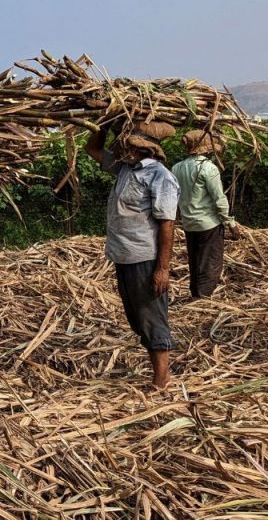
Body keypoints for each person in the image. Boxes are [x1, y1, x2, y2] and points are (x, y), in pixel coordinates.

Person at [85, 122, 181, 390]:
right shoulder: (125, 169)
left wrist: (162, 269)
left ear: (144, 149)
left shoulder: (160, 177)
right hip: (123, 255)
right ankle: (158, 375)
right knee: (137, 318)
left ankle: (162, 381)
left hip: (145, 258)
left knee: (151, 317)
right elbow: (92, 148)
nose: (123, 148)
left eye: (128, 144)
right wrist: (103, 123)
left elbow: (167, 224)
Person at [171, 130, 243, 299]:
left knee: (195, 261)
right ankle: (203, 298)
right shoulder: (209, 168)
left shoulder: (176, 168)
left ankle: (196, 294)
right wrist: (230, 223)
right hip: (208, 224)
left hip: (189, 224)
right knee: (210, 263)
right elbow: (219, 198)